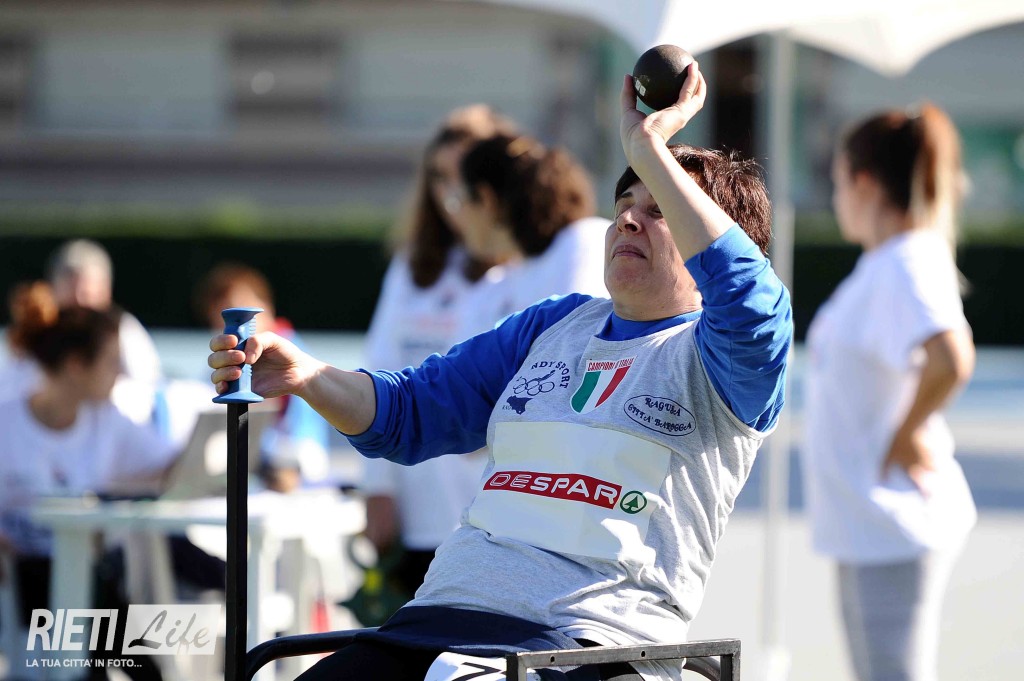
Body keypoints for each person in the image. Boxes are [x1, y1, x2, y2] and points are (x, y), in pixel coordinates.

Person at [209, 61, 791, 681]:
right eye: (625, 202)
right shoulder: (550, 325)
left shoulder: (730, 355)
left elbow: (748, 295)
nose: (627, 219)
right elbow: (406, 414)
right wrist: (304, 376)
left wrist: (648, 147)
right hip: (432, 625)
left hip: (586, 649)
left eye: (660, 208)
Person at [801, 103, 976, 681]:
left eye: (837, 184)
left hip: (893, 521)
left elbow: (951, 357)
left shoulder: (906, 261)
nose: (836, 200)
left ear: (864, 183)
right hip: (868, 523)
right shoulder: (888, 263)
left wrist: (906, 434)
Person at [360, 105, 521, 610]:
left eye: (463, 176)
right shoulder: (412, 267)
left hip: (497, 516)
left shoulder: (533, 268)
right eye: (438, 176)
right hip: (418, 510)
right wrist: (376, 487)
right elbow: (376, 369)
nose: (450, 193)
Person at [0, 282, 177, 681]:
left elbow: (171, 465)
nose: (120, 372)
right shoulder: (6, 422)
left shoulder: (107, 420)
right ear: (76, 365)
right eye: (112, 361)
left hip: (87, 583)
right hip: (22, 586)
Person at [452, 130, 609, 335]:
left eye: (460, 200)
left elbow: (574, 337)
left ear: (485, 198)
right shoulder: (494, 286)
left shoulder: (584, 240)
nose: (458, 213)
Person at [195, 262, 331, 493]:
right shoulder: (224, 361)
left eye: (238, 311)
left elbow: (308, 449)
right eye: (223, 316)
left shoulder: (293, 355)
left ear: (265, 306)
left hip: (301, 483)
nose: (231, 327)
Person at [45, 239, 163, 426]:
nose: (80, 303)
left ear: (105, 291)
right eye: (72, 293)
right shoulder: (36, 332)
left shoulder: (124, 332)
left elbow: (149, 391)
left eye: (87, 294)